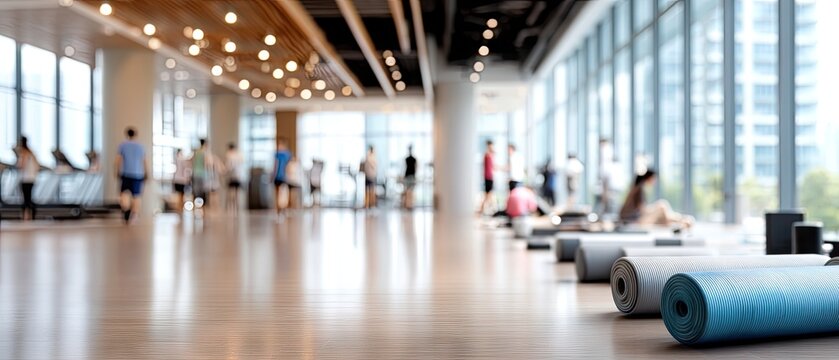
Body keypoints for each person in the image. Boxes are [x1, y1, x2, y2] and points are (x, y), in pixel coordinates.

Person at [619, 169, 693, 229]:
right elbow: (643, 210)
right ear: (649, 178)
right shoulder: (639, 190)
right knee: (662, 206)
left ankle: (680, 220)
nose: (654, 182)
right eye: (654, 179)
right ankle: (681, 220)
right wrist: (655, 208)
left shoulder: (636, 188)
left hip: (633, 220)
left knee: (662, 209)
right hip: (635, 222)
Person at [115, 127, 148, 224]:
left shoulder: (122, 146)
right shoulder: (140, 146)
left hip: (126, 173)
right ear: (135, 134)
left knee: (124, 193)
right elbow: (144, 161)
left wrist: (117, 171)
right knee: (136, 195)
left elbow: (118, 160)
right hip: (138, 174)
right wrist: (146, 172)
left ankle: (126, 209)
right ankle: (134, 213)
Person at [15, 137, 40, 221]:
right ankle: (31, 216)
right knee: (29, 198)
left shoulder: (23, 153)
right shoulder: (31, 152)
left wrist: (17, 164)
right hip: (32, 178)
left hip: (25, 179)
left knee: (26, 199)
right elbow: (37, 166)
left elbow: (21, 165)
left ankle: (25, 217)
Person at [272, 138, 292, 217]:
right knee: (279, 194)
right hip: (279, 177)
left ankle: (282, 210)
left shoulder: (285, 155)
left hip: (283, 177)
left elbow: (276, 167)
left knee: (283, 194)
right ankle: (279, 210)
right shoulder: (284, 154)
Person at [225, 142, 244, 212]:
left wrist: (224, 171)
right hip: (239, 176)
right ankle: (237, 208)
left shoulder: (229, 155)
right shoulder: (239, 155)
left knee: (231, 193)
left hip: (232, 177)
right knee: (237, 194)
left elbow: (229, 167)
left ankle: (231, 208)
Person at [479, 140, 497, 215]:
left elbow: (493, 166)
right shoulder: (487, 155)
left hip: (490, 177)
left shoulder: (490, 155)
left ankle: (489, 209)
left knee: (489, 194)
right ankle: (484, 209)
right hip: (488, 177)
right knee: (488, 194)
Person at [172, 149, 191, 214]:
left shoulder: (176, 159)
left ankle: (179, 208)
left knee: (179, 195)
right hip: (182, 180)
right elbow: (186, 169)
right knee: (181, 195)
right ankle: (180, 208)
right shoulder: (182, 160)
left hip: (177, 179)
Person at [403, 145, 417, 209]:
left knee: (410, 191)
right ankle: (408, 205)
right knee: (408, 191)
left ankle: (410, 205)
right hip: (409, 175)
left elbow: (415, 168)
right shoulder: (407, 159)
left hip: (411, 175)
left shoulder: (414, 159)